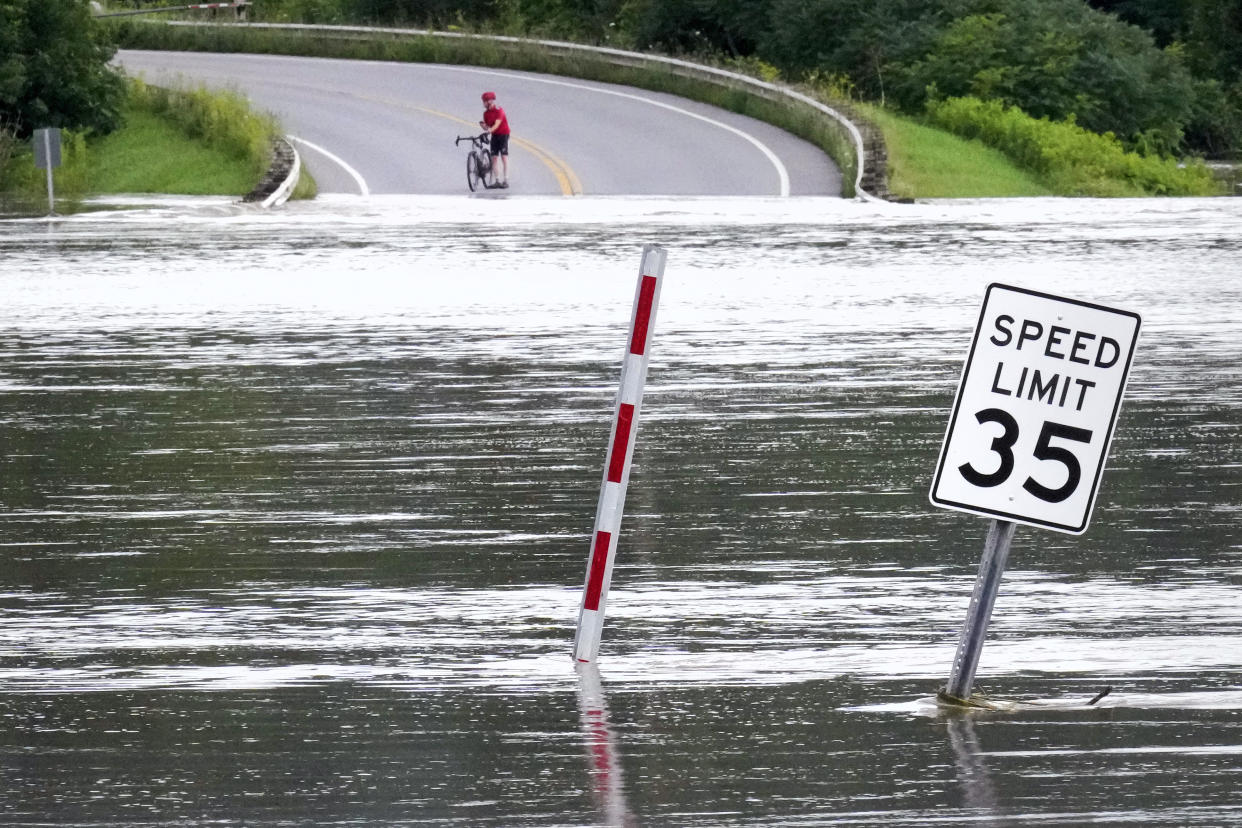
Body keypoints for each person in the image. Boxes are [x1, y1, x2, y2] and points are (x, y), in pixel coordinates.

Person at [479, 91, 510, 188]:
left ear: (490, 101)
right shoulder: (486, 113)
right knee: (494, 158)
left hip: (503, 134)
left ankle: (505, 179)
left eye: (484, 101)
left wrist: (489, 130)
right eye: (483, 101)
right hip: (495, 136)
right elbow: (488, 126)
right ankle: (497, 180)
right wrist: (484, 126)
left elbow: (497, 124)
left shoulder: (499, 110)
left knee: (504, 157)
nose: (483, 103)